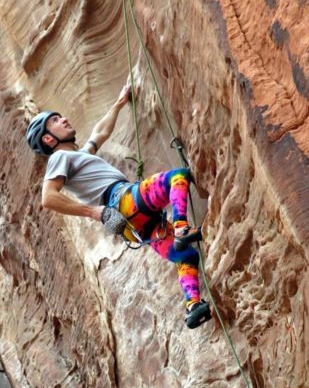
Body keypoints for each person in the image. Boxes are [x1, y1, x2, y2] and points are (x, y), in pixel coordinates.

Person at [26, 85, 212, 329]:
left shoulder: (78, 157)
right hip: (123, 201)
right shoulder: (59, 158)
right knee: (177, 177)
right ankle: (181, 228)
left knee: (185, 255)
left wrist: (119, 103)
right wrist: (94, 212)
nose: (64, 119)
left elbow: (99, 133)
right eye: (55, 120)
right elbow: (48, 198)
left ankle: (193, 305)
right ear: (48, 139)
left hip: (133, 227)